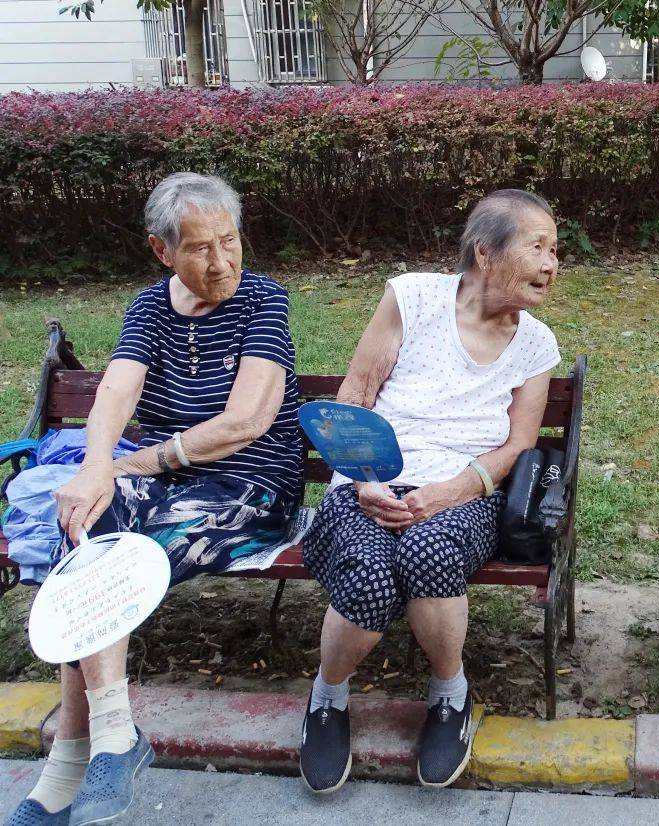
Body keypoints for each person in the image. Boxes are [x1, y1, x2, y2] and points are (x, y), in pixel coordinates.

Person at [6, 172, 303, 826]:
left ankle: (70, 761)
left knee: (116, 553)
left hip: (249, 487)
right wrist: (93, 470)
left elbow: (246, 421)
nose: (221, 260)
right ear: (162, 250)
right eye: (200, 248)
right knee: (85, 523)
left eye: (230, 241)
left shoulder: (263, 301)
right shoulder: (148, 309)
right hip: (168, 484)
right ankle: (112, 739)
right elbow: (115, 392)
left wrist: (135, 461)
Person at [298, 190, 561, 793]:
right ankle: (327, 699)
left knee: (429, 551)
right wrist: (364, 482)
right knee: (368, 570)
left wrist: (452, 491)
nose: (552, 264)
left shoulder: (535, 343)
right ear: (486, 253)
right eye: (538, 246)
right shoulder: (412, 297)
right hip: (370, 482)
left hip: (465, 493)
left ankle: (450, 695)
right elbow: (355, 398)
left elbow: (519, 445)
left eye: (556, 250)